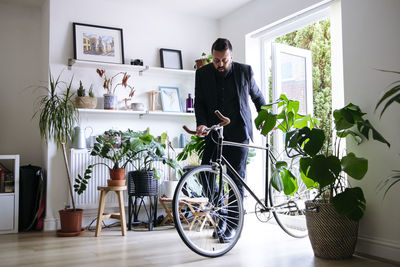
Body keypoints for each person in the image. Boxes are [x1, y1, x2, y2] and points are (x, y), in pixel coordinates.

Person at [194, 38, 266, 242]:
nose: (220, 64)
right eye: (216, 60)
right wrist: (200, 123)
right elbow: (199, 102)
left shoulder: (245, 71)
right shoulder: (202, 73)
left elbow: (258, 98)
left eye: (224, 60)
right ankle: (222, 214)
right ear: (212, 57)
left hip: (238, 134)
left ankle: (233, 226)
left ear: (231, 57)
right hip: (215, 134)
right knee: (205, 175)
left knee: (236, 179)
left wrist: (263, 119)